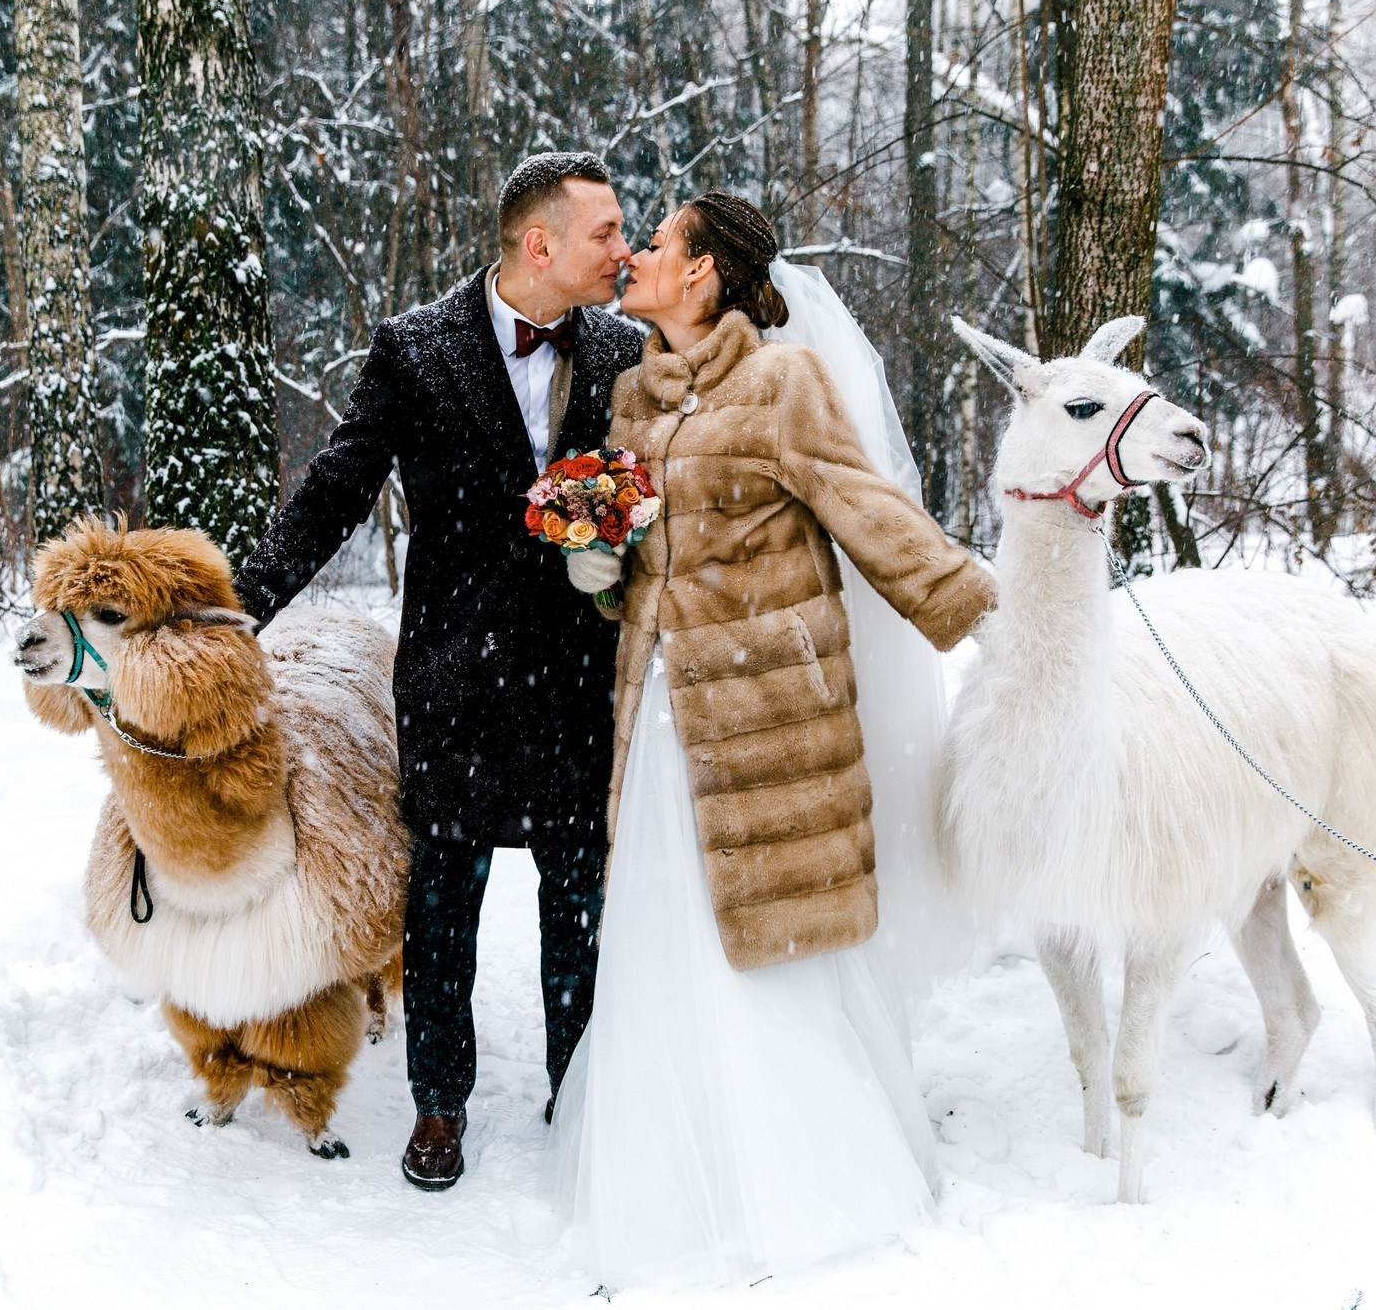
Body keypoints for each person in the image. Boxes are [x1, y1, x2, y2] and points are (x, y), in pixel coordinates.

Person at [549, 191, 996, 1286]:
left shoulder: (781, 384)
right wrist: (595, 569)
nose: (638, 256)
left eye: (656, 243)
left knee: (762, 939)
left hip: (767, 717)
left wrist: (980, 606)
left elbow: (866, 510)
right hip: (659, 714)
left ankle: (807, 1172)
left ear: (701, 274)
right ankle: (677, 1178)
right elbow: (633, 562)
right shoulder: (630, 399)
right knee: (666, 932)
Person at [234, 152, 639, 1192]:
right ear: (538, 243)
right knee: (441, 906)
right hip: (455, 681)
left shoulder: (627, 351)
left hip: (579, 679)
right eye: (605, 232)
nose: (622, 249)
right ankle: (438, 1106)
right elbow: (336, 487)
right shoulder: (414, 351)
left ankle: (580, 1096)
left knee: (579, 904)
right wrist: (241, 607)